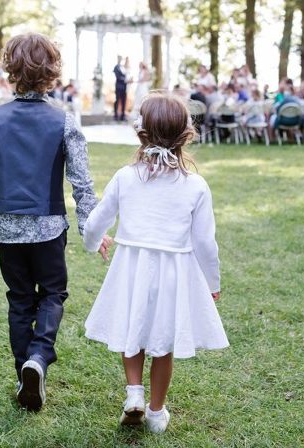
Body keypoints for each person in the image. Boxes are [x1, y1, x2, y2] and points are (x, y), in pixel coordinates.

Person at [82, 92, 228, 433]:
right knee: (163, 343)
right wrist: (212, 282)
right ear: (186, 135)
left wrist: (93, 242)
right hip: (173, 273)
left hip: (131, 268)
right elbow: (205, 242)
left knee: (132, 328)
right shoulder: (195, 185)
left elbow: (98, 219)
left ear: (141, 133)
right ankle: (157, 412)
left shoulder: (126, 176)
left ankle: (134, 391)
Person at [0, 32, 98, 411]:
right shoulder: (64, 121)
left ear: (10, 68)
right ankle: (39, 357)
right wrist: (90, 228)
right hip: (47, 224)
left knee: (20, 299)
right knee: (53, 293)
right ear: (52, 71)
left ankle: (23, 373)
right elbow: (82, 182)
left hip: (5, 224)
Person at [113, 56, 127, 121]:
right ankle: (115, 115)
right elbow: (118, 76)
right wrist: (125, 79)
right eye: (119, 59)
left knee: (124, 101)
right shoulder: (116, 67)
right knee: (117, 100)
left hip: (124, 87)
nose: (120, 60)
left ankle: (122, 115)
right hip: (118, 87)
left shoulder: (123, 67)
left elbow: (125, 75)